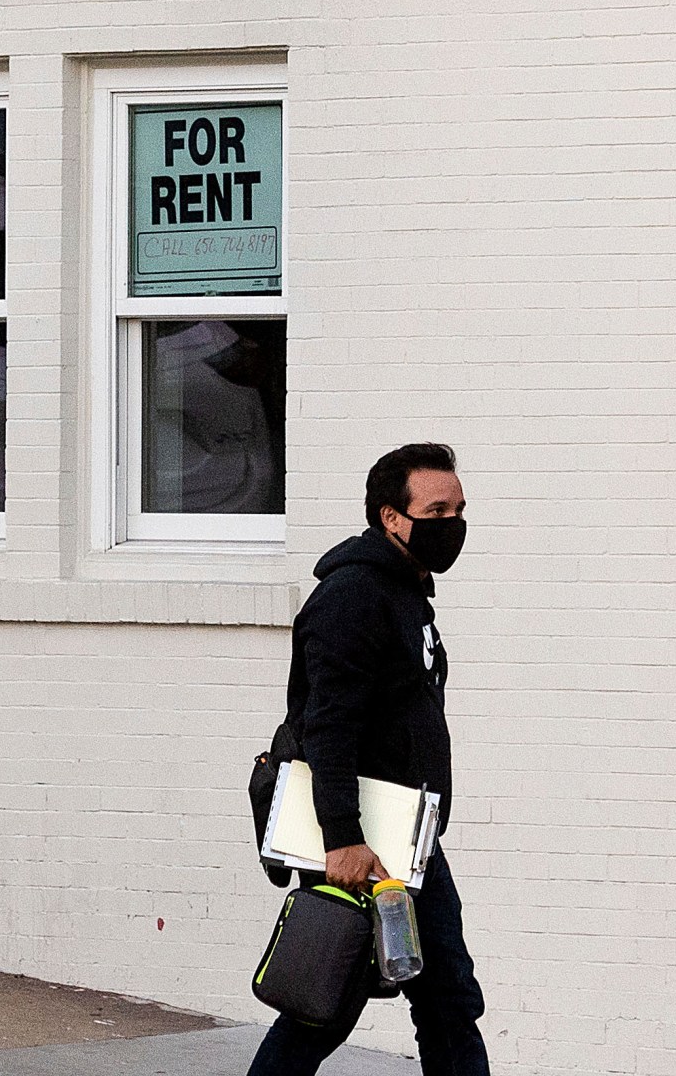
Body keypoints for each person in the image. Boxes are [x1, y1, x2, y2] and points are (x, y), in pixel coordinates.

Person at [249, 443, 489, 1076]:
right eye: (436, 509)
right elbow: (328, 726)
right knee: (320, 1007)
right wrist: (344, 840)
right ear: (391, 516)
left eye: (459, 508)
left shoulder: (404, 592)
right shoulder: (354, 596)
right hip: (363, 848)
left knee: (447, 1002)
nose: (452, 523)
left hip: (407, 840)